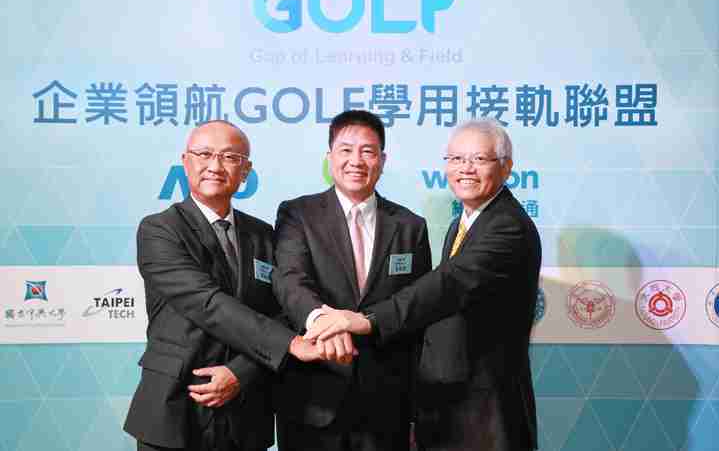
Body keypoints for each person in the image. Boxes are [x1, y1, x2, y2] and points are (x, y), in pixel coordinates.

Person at [306, 120, 541, 451]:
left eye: (479, 159)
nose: (466, 169)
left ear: (506, 167)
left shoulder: (507, 226)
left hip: (487, 414)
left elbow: (448, 284)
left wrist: (366, 319)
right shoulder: (464, 223)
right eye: (456, 159)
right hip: (447, 409)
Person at [124, 121, 322, 451]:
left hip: (246, 412)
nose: (215, 166)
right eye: (204, 154)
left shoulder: (264, 235)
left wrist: (240, 373)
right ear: (185, 161)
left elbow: (284, 310)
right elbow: (207, 303)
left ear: (245, 171)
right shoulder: (160, 230)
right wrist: (290, 343)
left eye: (229, 157)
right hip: (175, 408)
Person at [272, 110, 432, 451]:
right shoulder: (298, 214)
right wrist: (323, 321)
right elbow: (290, 280)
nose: (356, 161)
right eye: (345, 150)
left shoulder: (410, 226)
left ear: (382, 160)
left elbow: (416, 310)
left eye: (367, 151)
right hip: (313, 397)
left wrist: (417, 409)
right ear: (330, 158)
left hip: (387, 403)